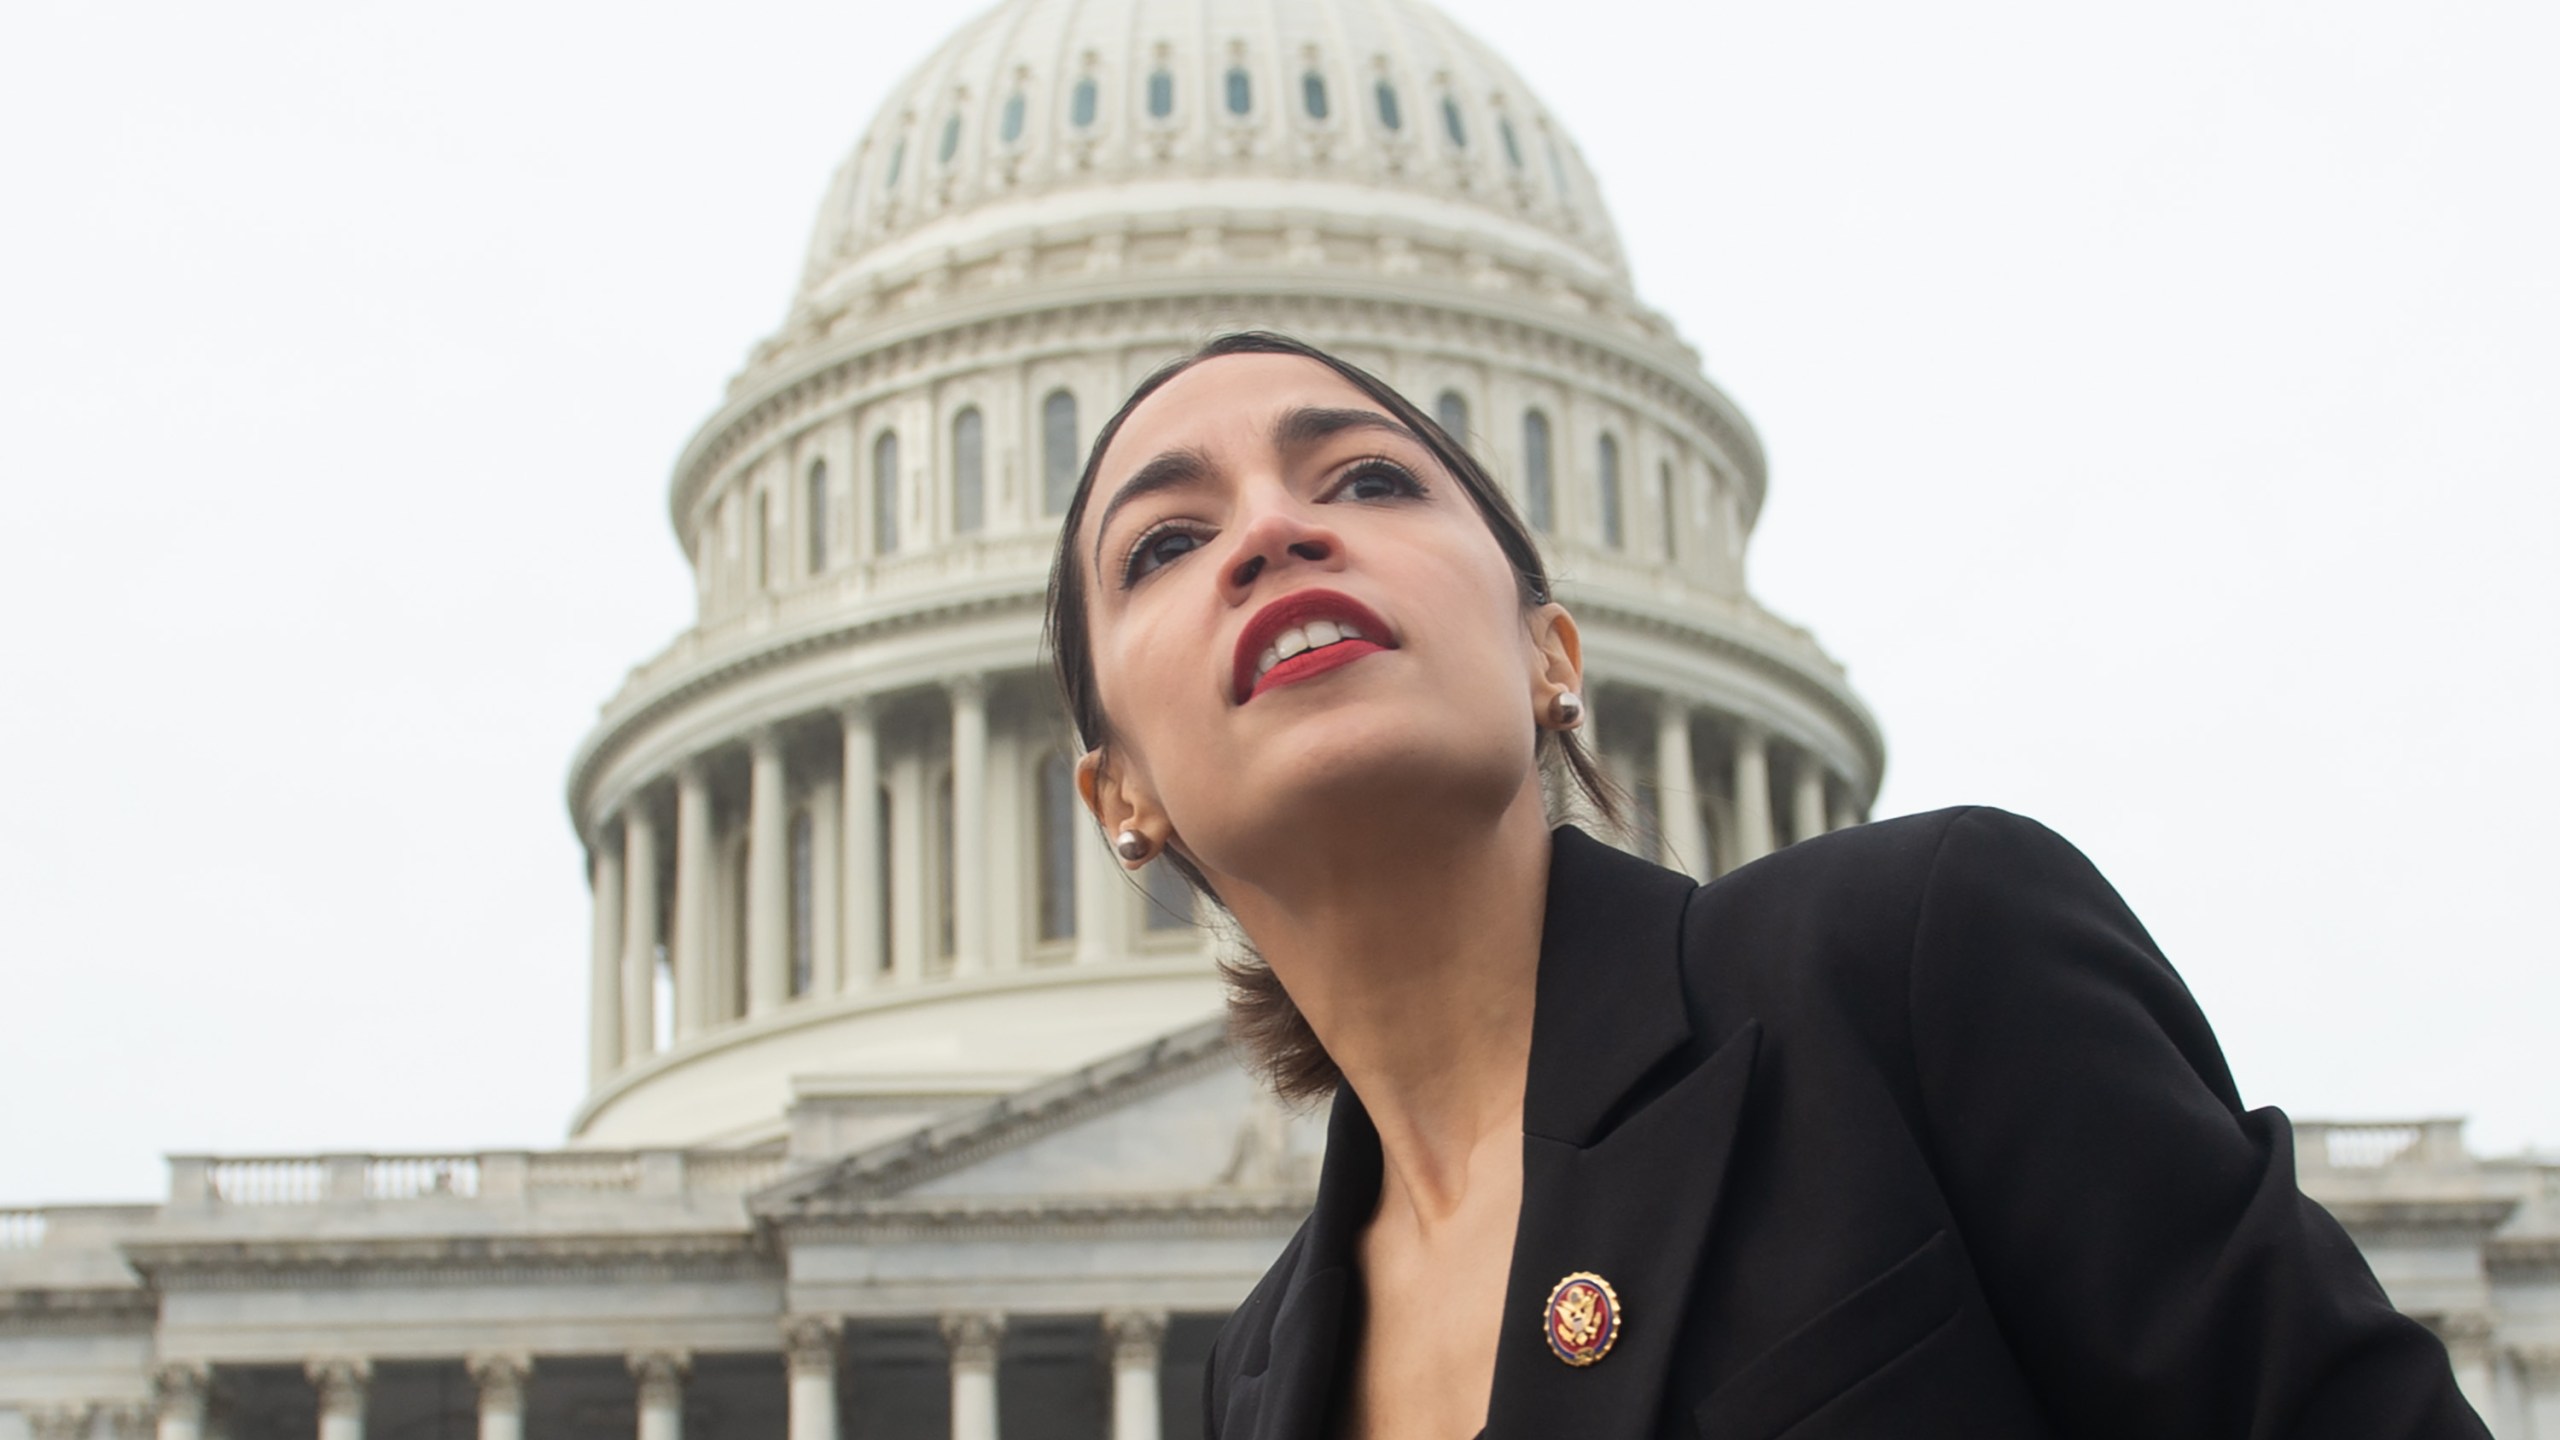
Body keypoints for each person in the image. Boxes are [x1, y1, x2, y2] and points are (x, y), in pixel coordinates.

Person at [1043, 331, 2486, 1440]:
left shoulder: (1920, 957)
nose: (1273, 534)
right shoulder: (1261, 1370)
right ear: (1125, 798)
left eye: (1369, 478)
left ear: (1552, 655)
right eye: (1167, 543)